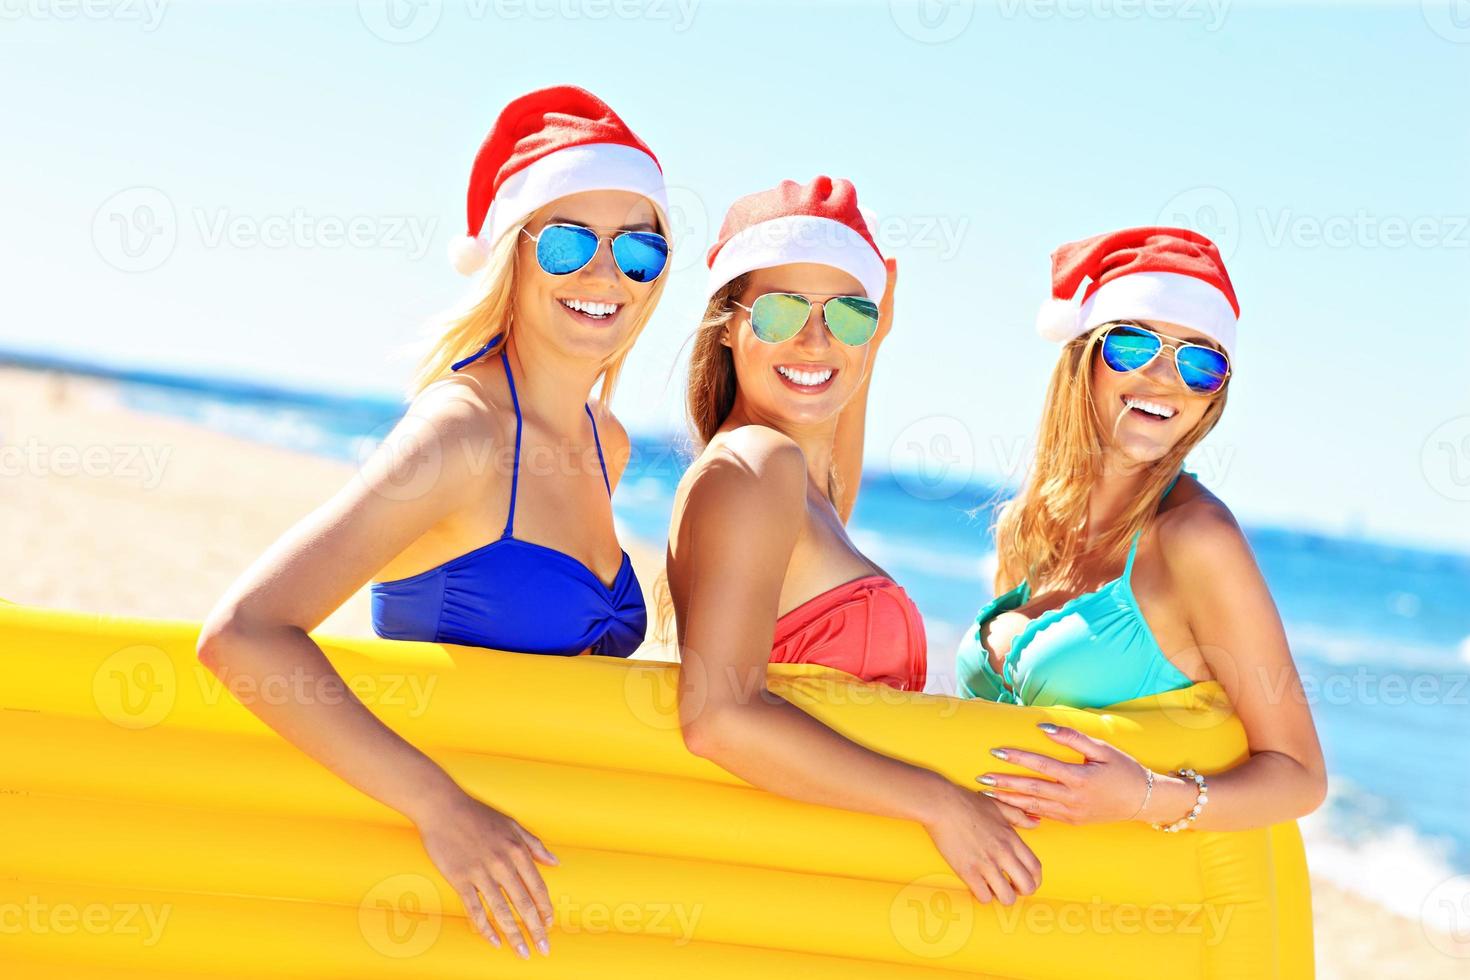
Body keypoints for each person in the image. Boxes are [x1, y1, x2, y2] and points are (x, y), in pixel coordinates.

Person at [196, 85, 672, 960]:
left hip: (530, 901)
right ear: (510, 257)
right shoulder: (461, 434)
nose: (606, 276)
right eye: (568, 242)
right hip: (417, 893)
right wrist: (440, 808)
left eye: (639, 249)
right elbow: (244, 634)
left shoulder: (609, 443)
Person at [663, 177, 1041, 905]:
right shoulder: (755, 470)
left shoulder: (799, 482)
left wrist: (874, 332)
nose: (815, 338)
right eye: (780, 311)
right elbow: (716, 718)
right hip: (780, 891)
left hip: (823, 883)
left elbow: (831, 434)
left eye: (848, 314)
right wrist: (941, 802)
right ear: (727, 323)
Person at [957, 227, 1328, 834]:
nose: (1163, 377)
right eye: (1133, 346)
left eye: (1201, 362)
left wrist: (1145, 796)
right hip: (1003, 890)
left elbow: (1299, 775)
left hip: (1120, 910)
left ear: (1213, 399)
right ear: (1083, 358)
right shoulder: (1034, 524)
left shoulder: (1196, 539)